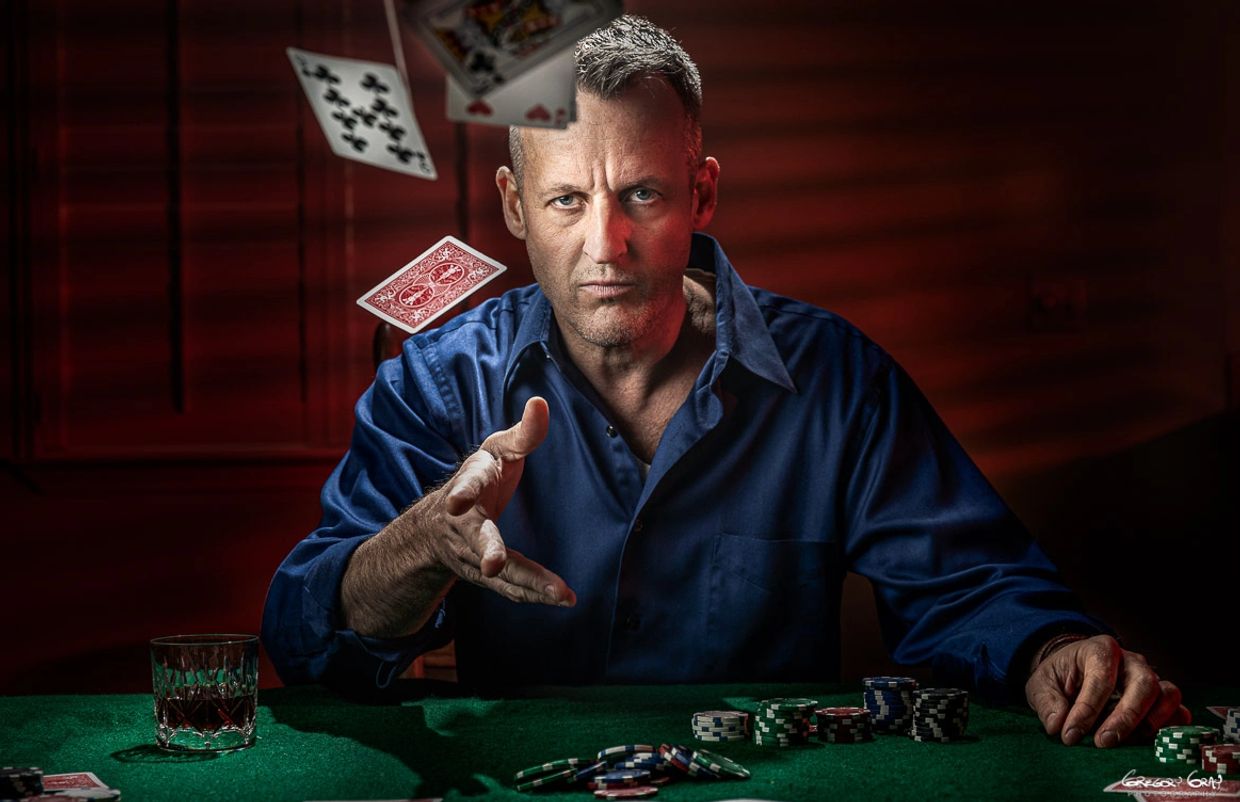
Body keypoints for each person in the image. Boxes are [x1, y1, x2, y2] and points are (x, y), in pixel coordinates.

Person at [263, 15, 1188, 747]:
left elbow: (973, 583)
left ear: (701, 194)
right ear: (514, 205)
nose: (606, 246)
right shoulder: (436, 383)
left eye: (644, 195)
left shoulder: (834, 377)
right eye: (565, 201)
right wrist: (423, 544)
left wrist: (1049, 649)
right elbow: (308, 637)